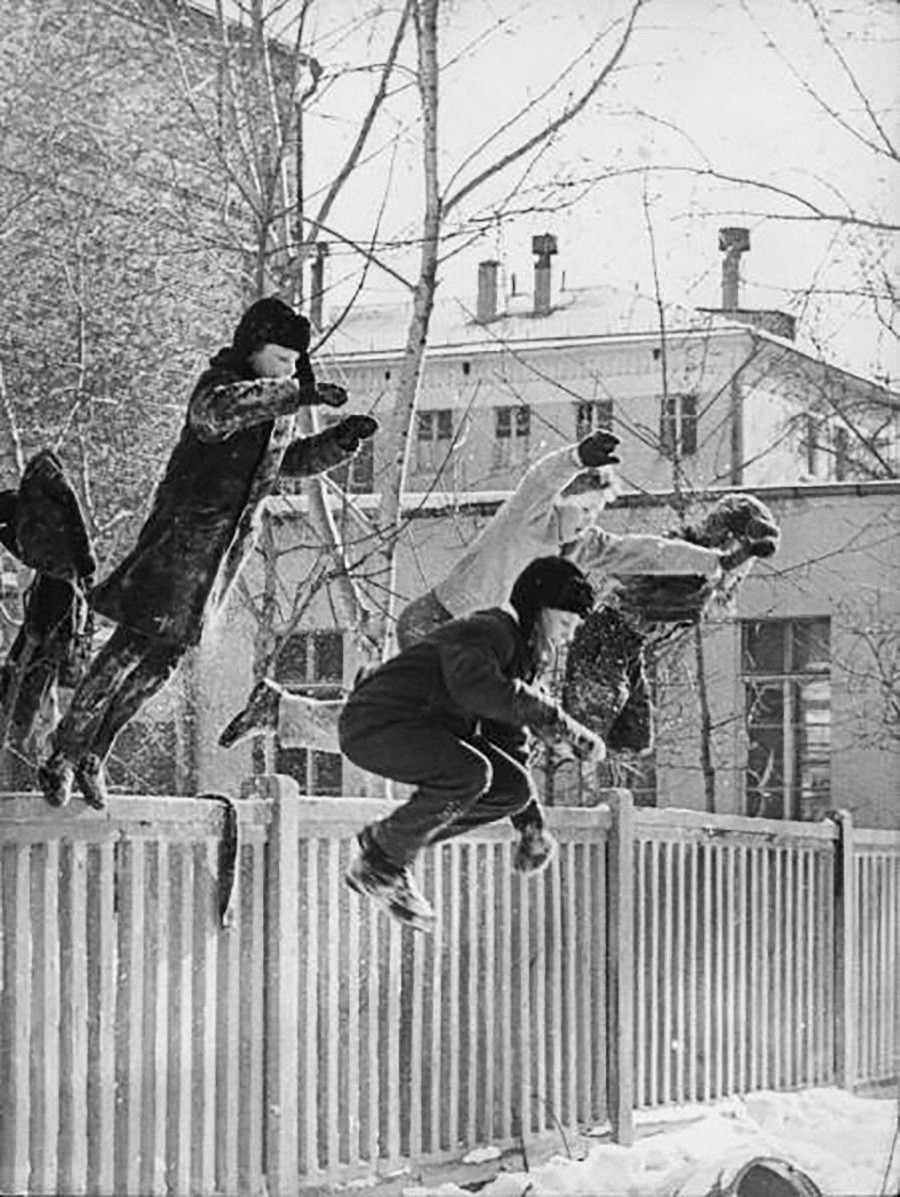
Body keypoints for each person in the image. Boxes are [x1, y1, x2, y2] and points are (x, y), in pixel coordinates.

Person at [38, 296, 378, 809]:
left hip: (218, 560)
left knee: (160, 666)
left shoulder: (278, 406)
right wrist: (294, 394)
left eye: (295, 362)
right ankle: (64, 753)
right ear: (254, 351)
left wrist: (337, 443)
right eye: (282, 358)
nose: (291, 370)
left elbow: (282, 464)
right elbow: (213, 418)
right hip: (180, 543)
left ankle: (95, 753)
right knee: (126, 650)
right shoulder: (219, 388)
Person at [218, 431, 728, 752]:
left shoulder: (582, 548)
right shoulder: (529, 516)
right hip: (436, 624)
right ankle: (314, 708)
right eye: (585, 507)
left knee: (407, 724)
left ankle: (283, 710)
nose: (588, 521)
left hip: (475, 645)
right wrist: (576, 457)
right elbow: (541, 477)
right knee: (434, 730)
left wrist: (714, 562)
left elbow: (646, 551)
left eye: (597, 513)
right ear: (567, 500)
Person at [338, 557, 606, 932]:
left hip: (418, 724)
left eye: (574, 628)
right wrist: (554, 718)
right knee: (470, 773)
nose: (568, 636)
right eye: (564, 623)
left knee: (509, 788)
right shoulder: (488, 631)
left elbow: (506, 735)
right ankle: (382, 860)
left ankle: (385, 847)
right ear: (537, 610)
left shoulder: (521, 656)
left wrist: (530, 824)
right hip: (379, 719)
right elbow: (480, 690)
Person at [0, 450, 96, 781]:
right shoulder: (47, 509)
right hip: (58, 601)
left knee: (30, 672)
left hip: (54, 611)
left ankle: (21, 736)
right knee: (31, 672)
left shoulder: (33, 508)